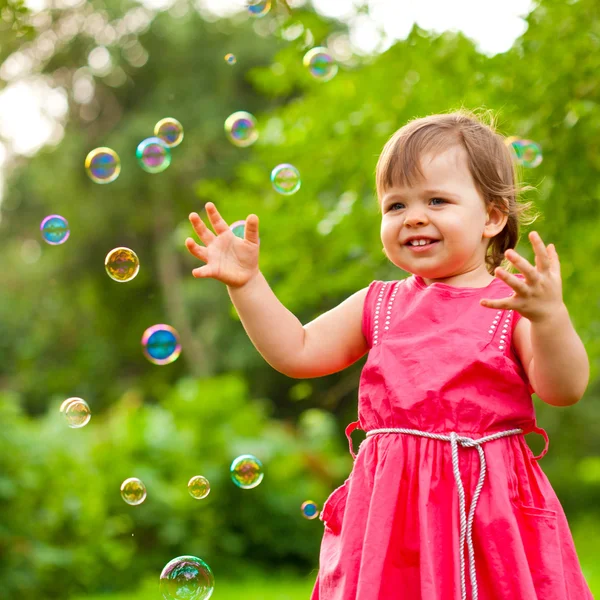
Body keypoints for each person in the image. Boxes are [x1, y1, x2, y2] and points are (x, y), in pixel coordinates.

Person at [184, 109, 592, 600]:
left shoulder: (512, 305)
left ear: (491, 216)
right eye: (395, 205)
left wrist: (550, 318)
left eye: (437, 200)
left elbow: (564, 388)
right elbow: (297, 350)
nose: (414, 216)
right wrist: (249, 285)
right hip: (391, 517)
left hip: (487, 515)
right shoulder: (379, 303)